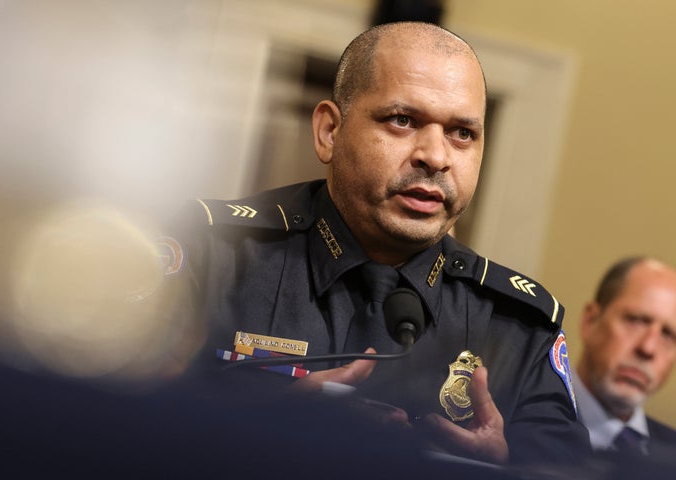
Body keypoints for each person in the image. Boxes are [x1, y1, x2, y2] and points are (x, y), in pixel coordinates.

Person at [156, 21, 590, 467]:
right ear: (329, 131)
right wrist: (261, 427)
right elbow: (106, 426)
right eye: (402, 120)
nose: (436, 157)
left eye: (462, 133)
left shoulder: (518, 325)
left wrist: (501, 470)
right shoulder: (214, 253)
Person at [574, 256, 676, 461]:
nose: (648, 348)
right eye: (636, 321)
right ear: (591, 321)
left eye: (668, 335)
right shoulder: (510, 432)